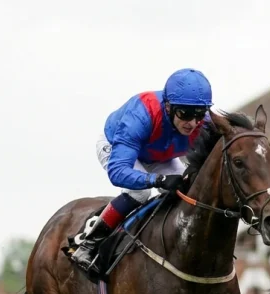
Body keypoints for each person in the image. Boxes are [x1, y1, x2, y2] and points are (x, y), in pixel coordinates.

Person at [69, 68, 213, 270]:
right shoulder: (142, 114)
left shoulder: (204, 123)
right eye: (185, 113)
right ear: (169, 106)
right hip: (117, 146)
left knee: (187, 190)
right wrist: (158, 180)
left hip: (158, 153)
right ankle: (88, 243)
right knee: (140, 192)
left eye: (199, 114)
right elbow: (118, 172)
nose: (192, 123)